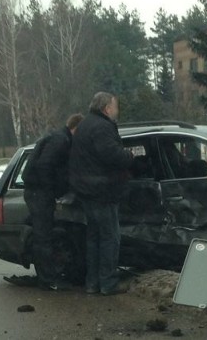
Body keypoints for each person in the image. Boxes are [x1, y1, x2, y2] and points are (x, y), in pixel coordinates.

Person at [69, 92, 134, 295]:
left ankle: (93, 282)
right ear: (107, 108)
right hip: (102, 191)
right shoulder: (102, 127)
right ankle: (108, 283)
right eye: (115, 106)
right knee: (109, 238)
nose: (117, 110)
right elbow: (110, 155)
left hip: (87, 190)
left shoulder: (86, 125)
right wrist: (128, 156)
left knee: (94, 238)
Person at [22, 113, 84, 291]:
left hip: (37, 191)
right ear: (76, 129)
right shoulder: (61, 141)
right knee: (44, 237)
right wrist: (52, 190)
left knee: (44, 236)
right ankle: (47, 280)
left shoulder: (60, 138)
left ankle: (47, 278)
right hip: (39, 193)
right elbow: (45, 165)